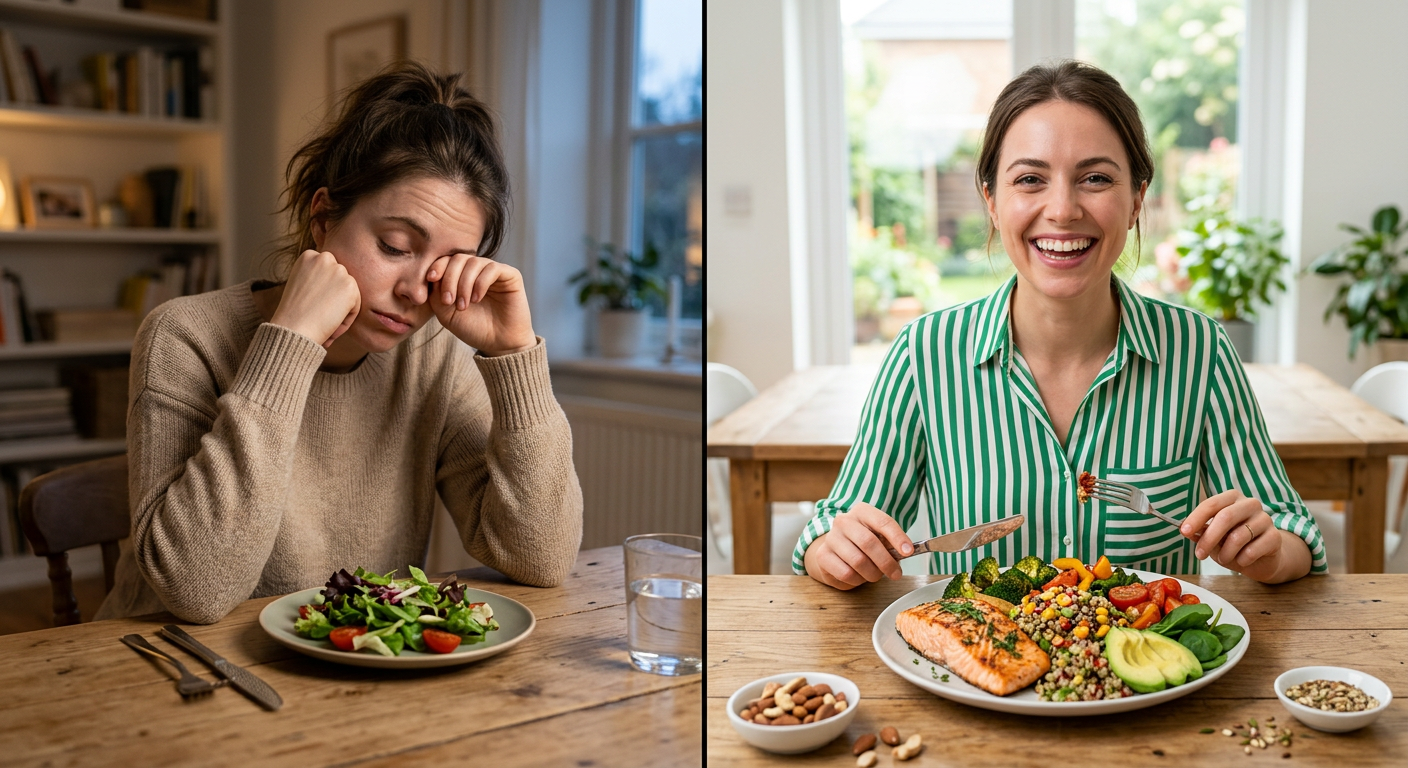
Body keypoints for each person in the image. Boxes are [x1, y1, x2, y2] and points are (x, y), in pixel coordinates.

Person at [795, 60, 1324, 590]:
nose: (1063, 209)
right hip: (976, 664)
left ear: (1137, 199)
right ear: (993, 202)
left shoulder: (1199, 350)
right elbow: (830, 529)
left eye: (1095, 179)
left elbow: (1292, 530)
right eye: (1030, 179)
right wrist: (837, 551)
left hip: (1147, 666)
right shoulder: (923, 353)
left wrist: (1270, 551)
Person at [96, 62, 583, 623]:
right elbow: (195, 590)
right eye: (396, 245)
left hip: (351, 669)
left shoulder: (436, 360)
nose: (412, 292)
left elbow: (541, 558)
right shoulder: (184, 335)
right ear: (323, 216)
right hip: (164, 663)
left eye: (445, 265)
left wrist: (514, 356)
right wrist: (291, 344)